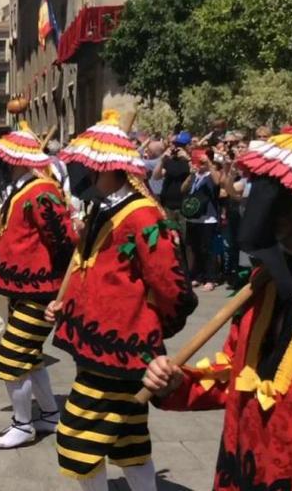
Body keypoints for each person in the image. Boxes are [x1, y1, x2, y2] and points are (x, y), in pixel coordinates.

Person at [143, 96, 292, 491]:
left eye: (284, 196)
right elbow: (237, 369)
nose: (269, 211)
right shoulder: (268, 279)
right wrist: (179, 382)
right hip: (243, 469)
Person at [48, 110, 197, 490]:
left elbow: (172, 287)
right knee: (130, 439)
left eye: (94, 168)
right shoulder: (105, 207)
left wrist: (148, 326)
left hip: (120, 347)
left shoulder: (143, 215)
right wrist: (66, 303)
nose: (88, 174)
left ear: (110, 169)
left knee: (78, 440)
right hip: (100, 342)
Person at [0, 121, 77, 449]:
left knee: (12, 358)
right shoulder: (20, 189)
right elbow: (17, 240)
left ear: (10, 162)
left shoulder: (41, 191)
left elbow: (63, 240)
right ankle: (48, 414)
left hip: (40, 292)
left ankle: (23, 424)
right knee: (30, 357)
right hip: (22, 289)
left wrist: (60, 290)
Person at [182, 148, 222, 291]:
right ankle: (197, 276)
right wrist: (190, 175)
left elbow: (218, 182)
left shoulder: (210, 174)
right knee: (195, 248)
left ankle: (211, 278)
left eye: (201, 162)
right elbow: (183, 189)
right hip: (193, 218)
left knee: (208, 250)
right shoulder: (195, 175)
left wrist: (209, 164)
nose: (200, 164)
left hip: (208, 218)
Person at [153, 132, 193, 238]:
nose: (178, 148)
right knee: (171, 238)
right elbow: (156, 176)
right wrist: (162, 160)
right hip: (168, 206)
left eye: (182, 146)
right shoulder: (170, 160)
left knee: (186, 240)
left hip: (184, 207)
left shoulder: (192, 160)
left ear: (189, 146)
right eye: (177, 145)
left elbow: (196, 173)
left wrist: (188, 159)